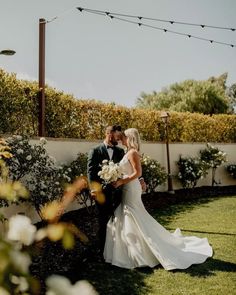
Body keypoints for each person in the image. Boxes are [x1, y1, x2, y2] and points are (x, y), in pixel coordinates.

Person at [103, 128, 213, 270]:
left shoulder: (133, 152)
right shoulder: (128, 152)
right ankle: (132, 251)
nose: (121, 138)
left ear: (129, 138)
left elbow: (138, 173)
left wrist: (120, 182)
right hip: (127, 187)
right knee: (131, 214)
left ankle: (142, 253)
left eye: (123, 136)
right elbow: (130, 172)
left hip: (131, 188)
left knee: (132, 214)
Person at [87, 125, 125, 256]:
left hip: (118, 193)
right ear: (109, 134)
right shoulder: (95, 151)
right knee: (103, 222)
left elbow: (126, 169)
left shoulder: (121, 152)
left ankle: (117, 251)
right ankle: (102, 252)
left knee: (118, 221)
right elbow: (91, 173)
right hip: (101, 194)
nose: (119, 140)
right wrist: (93, 189)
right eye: (116, 137)